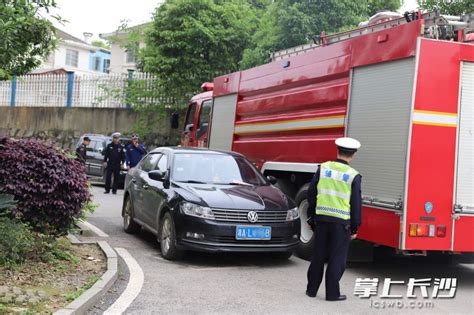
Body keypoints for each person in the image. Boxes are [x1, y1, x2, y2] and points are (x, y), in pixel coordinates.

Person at [306, 137, 362, 301]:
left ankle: (311, 290)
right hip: (341, 223)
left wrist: (312, 217)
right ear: (353, 155)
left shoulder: (323, 168)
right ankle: (332, 294)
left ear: (337, 151)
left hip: (322, 219)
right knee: (337, 258)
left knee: (318, 255)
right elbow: (356, 204)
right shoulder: (353, 176)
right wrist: (355, 227)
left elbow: (311, 193)